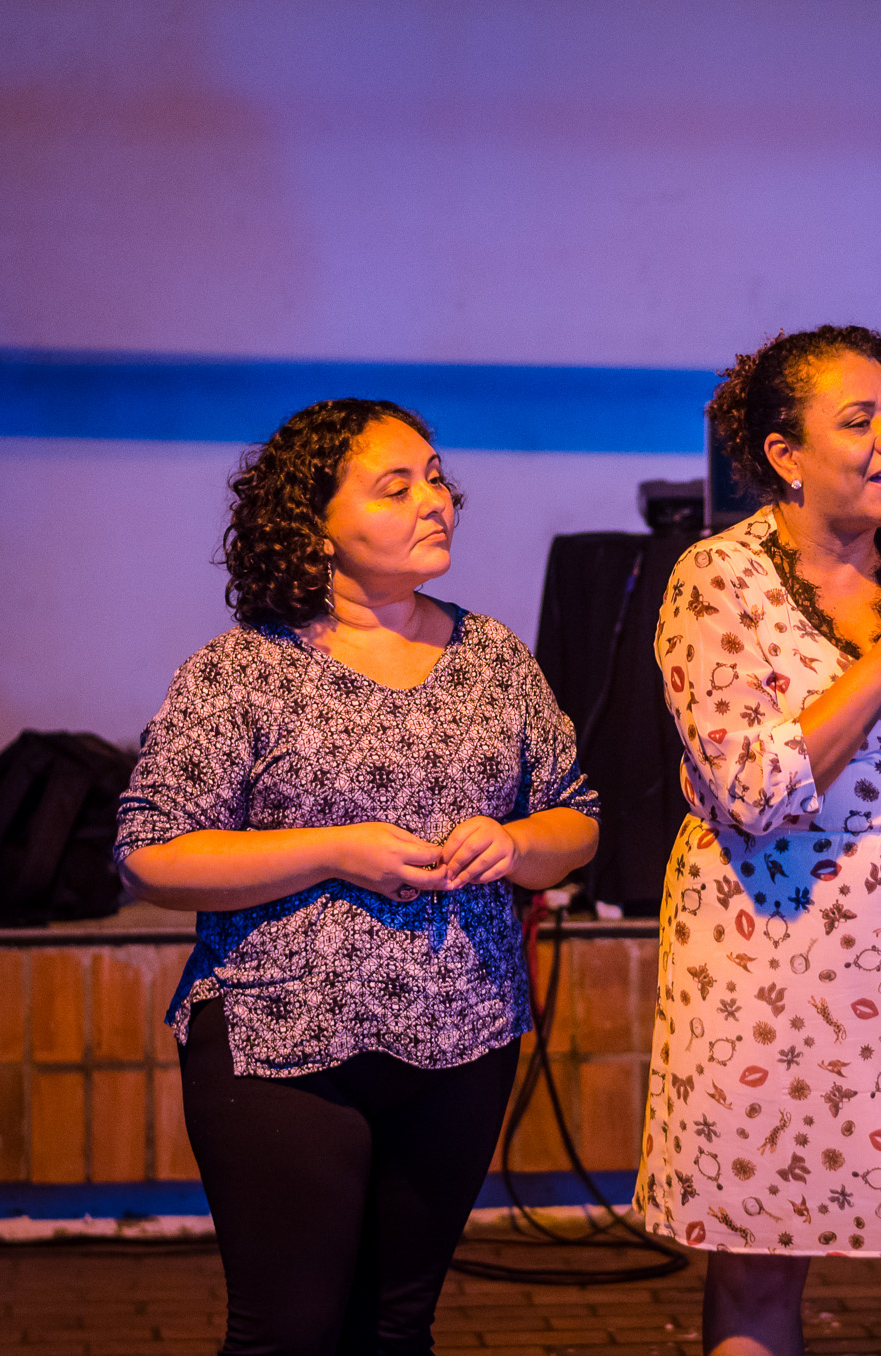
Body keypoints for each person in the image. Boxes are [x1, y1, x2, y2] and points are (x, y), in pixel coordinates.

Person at [115, 398, 599, 1355]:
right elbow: (149, 851)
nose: (435, 501)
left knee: (396, 1330)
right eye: (396, 486)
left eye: (436, 479)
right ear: (317, 526)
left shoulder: (493, 657)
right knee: (290, 1334)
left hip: (465, 1035)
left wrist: (513, 844)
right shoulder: (241, 671)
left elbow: (576, 819)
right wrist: (333, 849)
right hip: (283, 1040)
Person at [632, 327, 881, 1356]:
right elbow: (754, 791)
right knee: (763, 1260)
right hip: (768, 962)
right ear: (784, 453)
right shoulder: (716, 582)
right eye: (857, 421)